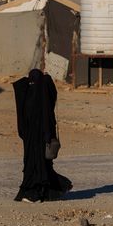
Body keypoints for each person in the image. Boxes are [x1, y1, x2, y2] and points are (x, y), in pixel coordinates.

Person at [12, 69, 72, 202]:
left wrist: (45, 136)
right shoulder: (36, 94)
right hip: (34, 139)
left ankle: (35, 194)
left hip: (40, 139)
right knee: (36, 166)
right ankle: (55, 188)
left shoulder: (37, 97)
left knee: (40, 166)